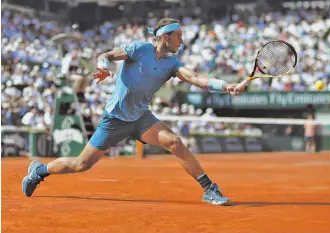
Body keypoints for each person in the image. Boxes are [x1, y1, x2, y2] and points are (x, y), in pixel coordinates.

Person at [22, 18, 241, 206]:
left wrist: (225, 85)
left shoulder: (172, 63)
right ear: (165, 36)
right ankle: (39, 171)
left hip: (141, 119)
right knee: (81, 164)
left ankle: (209, 189)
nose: (182, 41)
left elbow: (195, 78)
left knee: (175, 142)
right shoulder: (139, 49)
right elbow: (107, 54)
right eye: (178, 36)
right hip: (114, 120)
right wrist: (104, 66)